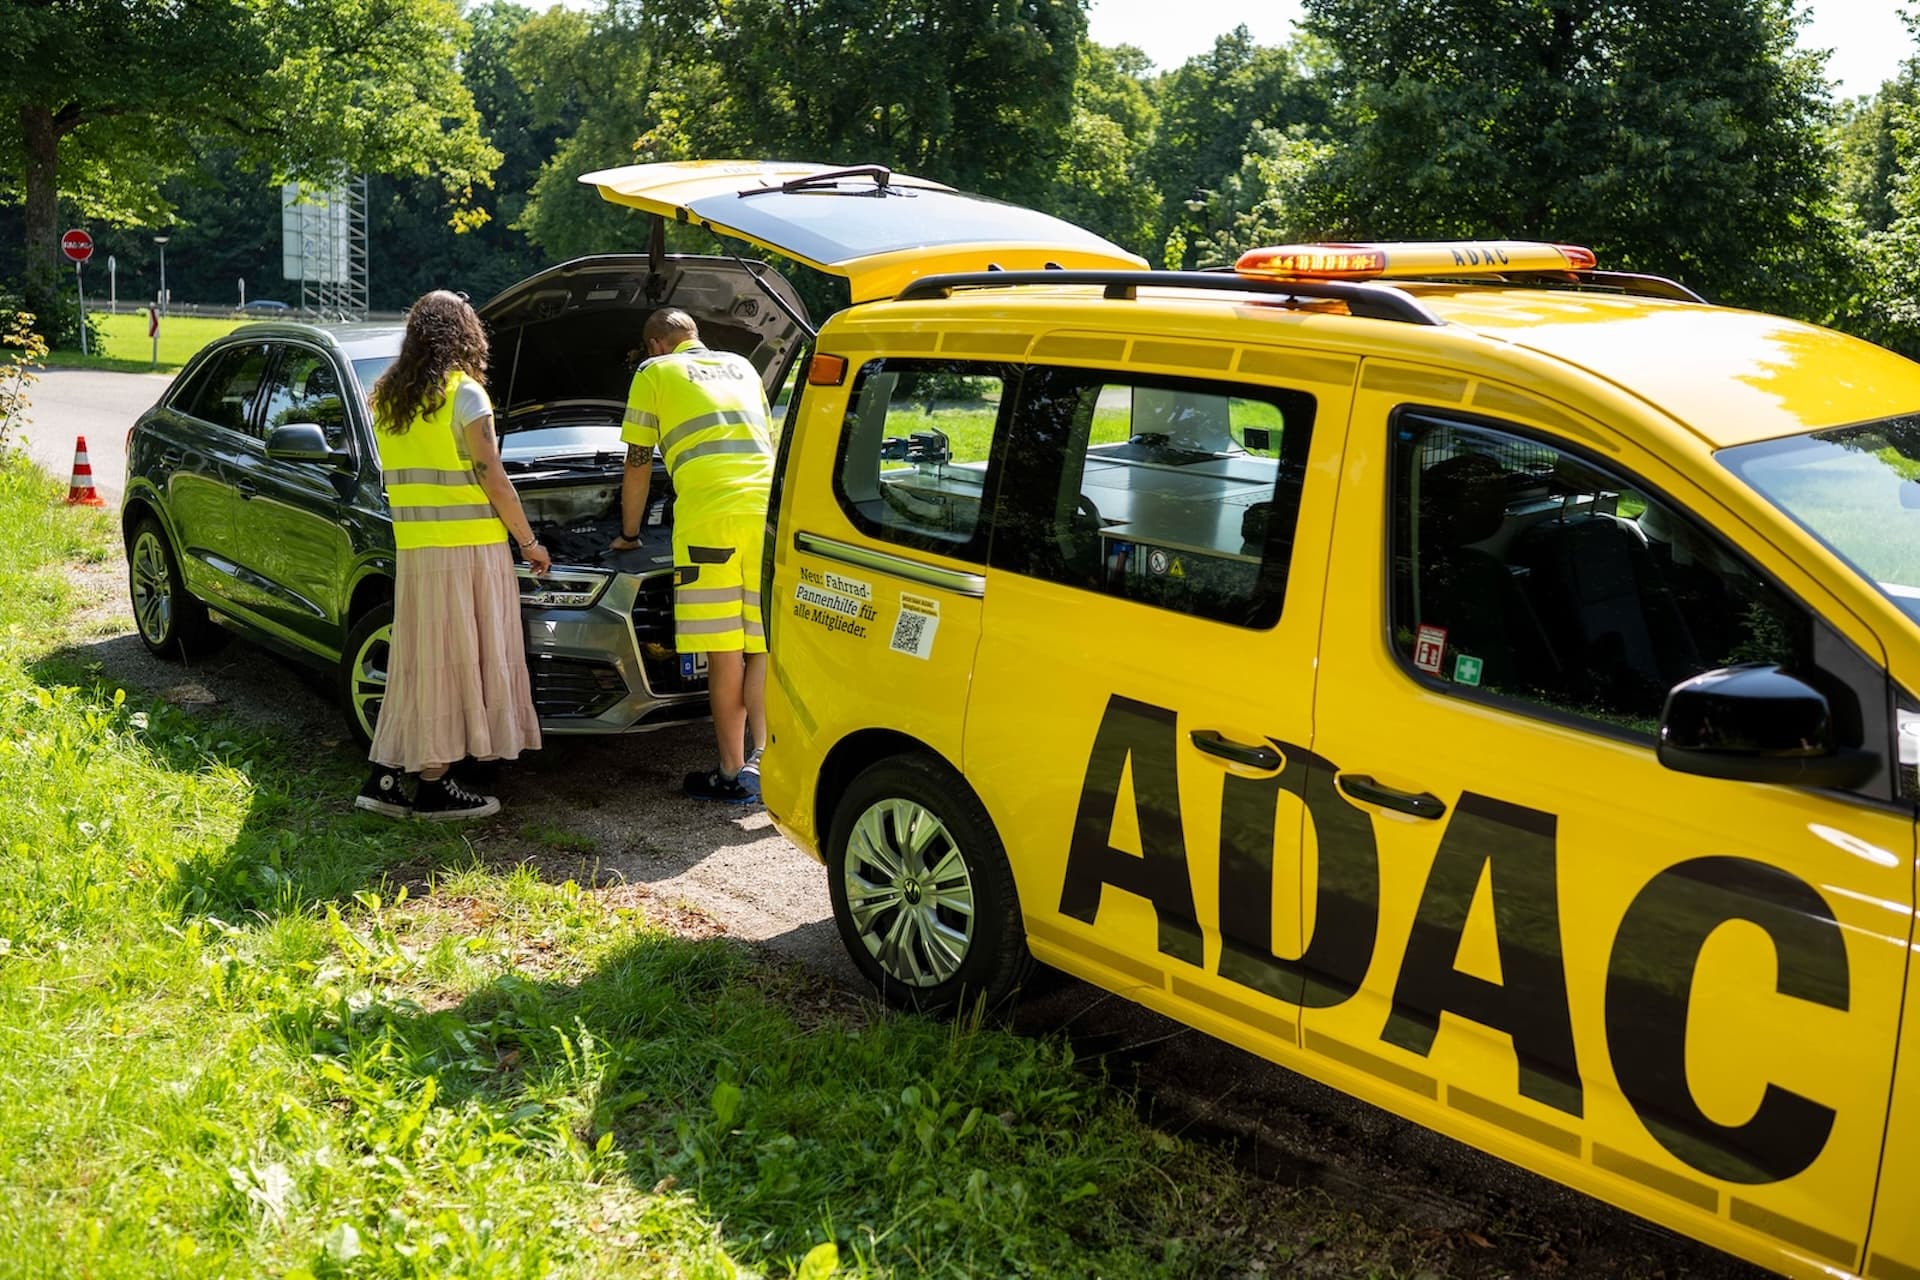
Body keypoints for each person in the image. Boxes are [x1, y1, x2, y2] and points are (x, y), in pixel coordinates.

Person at [356, 290, 552, 820]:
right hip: (469, 551)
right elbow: (493, 475)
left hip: (418, 552)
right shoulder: (466, 395)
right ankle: (436, 784)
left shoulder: (388, 398)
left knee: (419, 665)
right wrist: (529, 542)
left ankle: (387, 778)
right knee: (457, 662)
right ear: (466, 333)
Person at [612, 308, 772, 803]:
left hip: (711, 524)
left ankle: (729, 772)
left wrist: (630, 534)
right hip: (767, 513)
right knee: (761, 644)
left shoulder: (653, 371)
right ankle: (766, 762)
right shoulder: (743, 366)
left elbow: (638, 464)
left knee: (725, 650)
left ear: (656, 344)